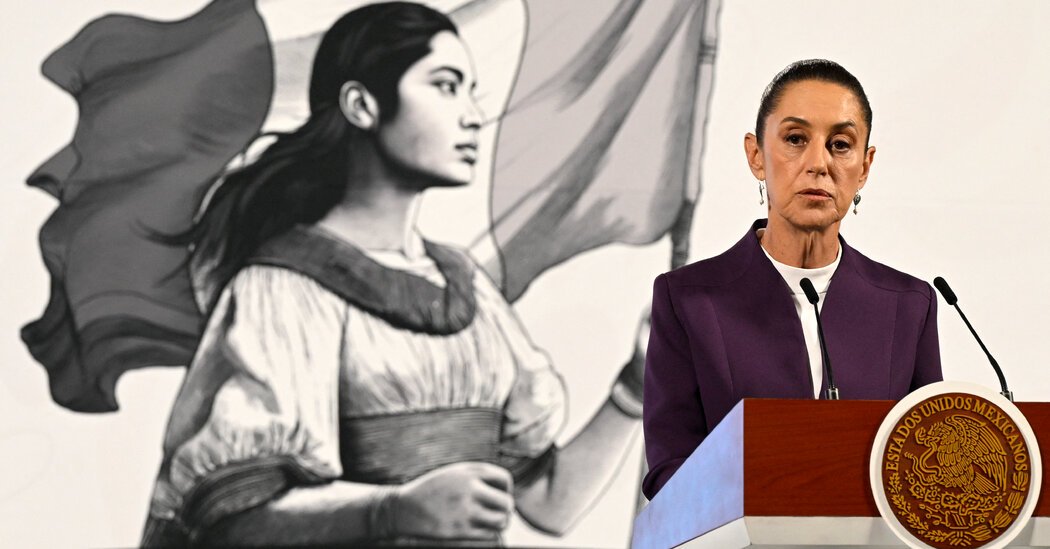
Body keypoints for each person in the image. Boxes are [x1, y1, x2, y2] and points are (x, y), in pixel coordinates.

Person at [140, 2, 646, 546]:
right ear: (362, 105)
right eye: (446, 86)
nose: (472, 115)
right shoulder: (283, 289)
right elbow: (231, 522)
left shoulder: (469, 290)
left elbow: (549, 503)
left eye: (470, 90)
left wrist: (640, 383)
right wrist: (391, 511)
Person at [641, 59, 942, 499]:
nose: (818, 164)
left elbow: (927, 464)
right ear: (756, 155)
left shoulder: (908, 304)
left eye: (840, 145)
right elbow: (669, 471)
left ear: (864, 167)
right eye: (796, 139)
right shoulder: (688, 300)